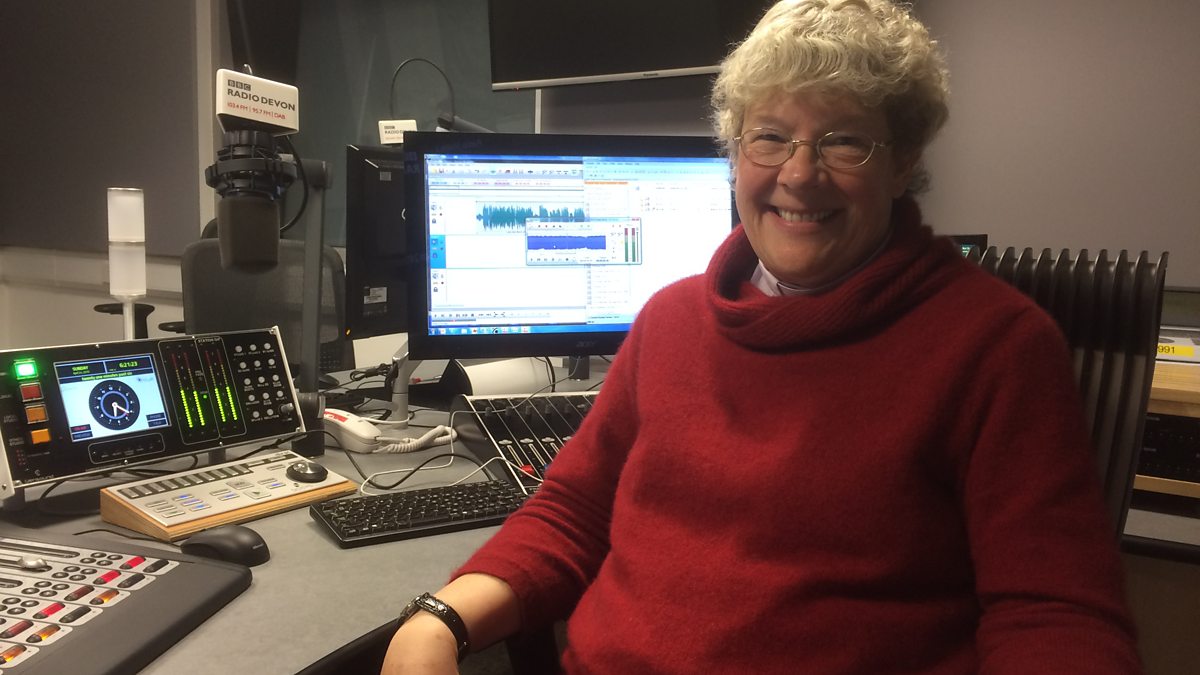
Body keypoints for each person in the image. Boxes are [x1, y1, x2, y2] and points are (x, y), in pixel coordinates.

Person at [382, 1, 1142, 672]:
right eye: (770, 137)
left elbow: (1053, 615)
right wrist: (436, 622)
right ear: (735, 152)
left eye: (844, 142)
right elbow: (573, 512)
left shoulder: (996, 347)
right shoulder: (671, 321)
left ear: (903, 160)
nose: (799, 175)